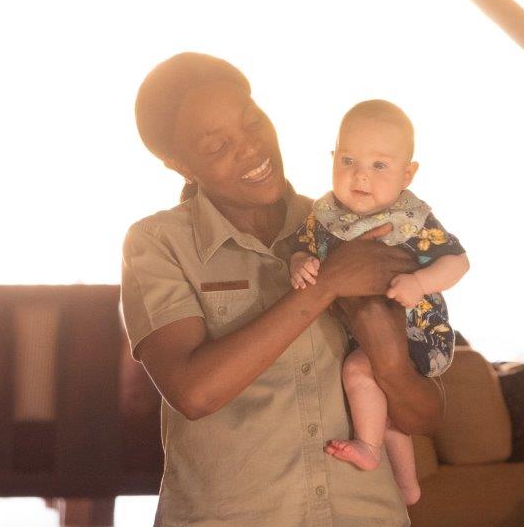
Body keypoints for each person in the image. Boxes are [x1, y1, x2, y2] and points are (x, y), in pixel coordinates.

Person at [120, 52, 445, 527]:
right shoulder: (156, 244)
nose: (251, 149)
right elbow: (193, 393)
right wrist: (328, 284)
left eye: (253, 122)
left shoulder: (357, 227)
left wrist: (389, 358)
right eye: (216, 145)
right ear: (179, 164)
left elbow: (425, 417)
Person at [289, 100, 469, 505]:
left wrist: (420, 281)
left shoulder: (412, 221)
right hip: (368, 334)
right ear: (332, 158)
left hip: (420, 334)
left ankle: (369, 450)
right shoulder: (324, 216)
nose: (360, 175)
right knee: (380, 404)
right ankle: (408, 486)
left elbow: (458, 262)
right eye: (349, 160)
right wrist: (299, 264)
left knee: (357, 372)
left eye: (379, 166)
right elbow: (302, 249)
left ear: (408, 174)